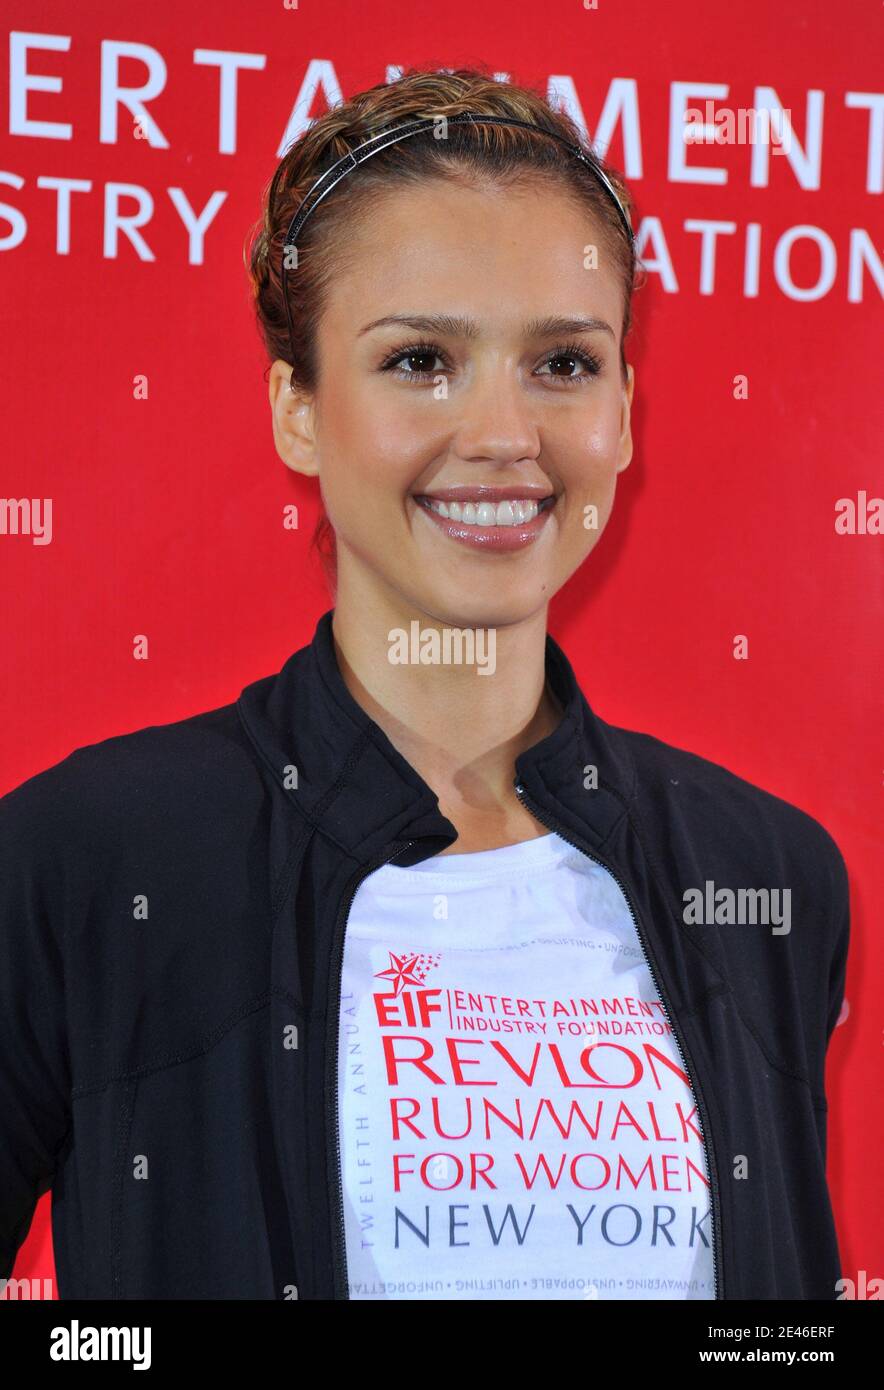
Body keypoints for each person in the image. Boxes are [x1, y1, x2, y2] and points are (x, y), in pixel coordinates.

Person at [0, 67, 849, 1302]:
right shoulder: (85, 858)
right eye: (419, 360)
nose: (503, 432)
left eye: (563, 362)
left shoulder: (767, 872)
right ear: (297, 406)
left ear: (624, 409)